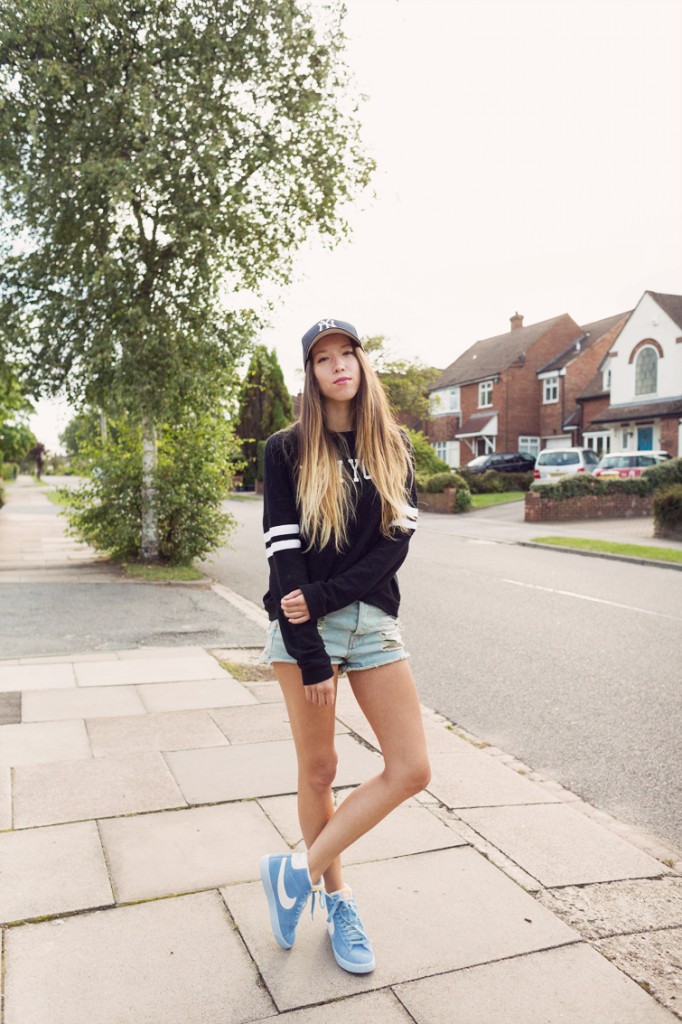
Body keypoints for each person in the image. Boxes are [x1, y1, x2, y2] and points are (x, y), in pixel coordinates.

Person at [258, 318, 431, 975]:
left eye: (346, 354)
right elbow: (282, 551)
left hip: (372, 622)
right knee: (320, 771)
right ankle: (337, 900)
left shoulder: (395, 445)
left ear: (361, 363)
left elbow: (396, 543)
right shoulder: (286, 449)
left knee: (411, 768)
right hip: (307, 633)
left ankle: (293, 874)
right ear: (311, 373)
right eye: (322, 358)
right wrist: (307, 648)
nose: (337, 366)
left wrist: (330, 598)